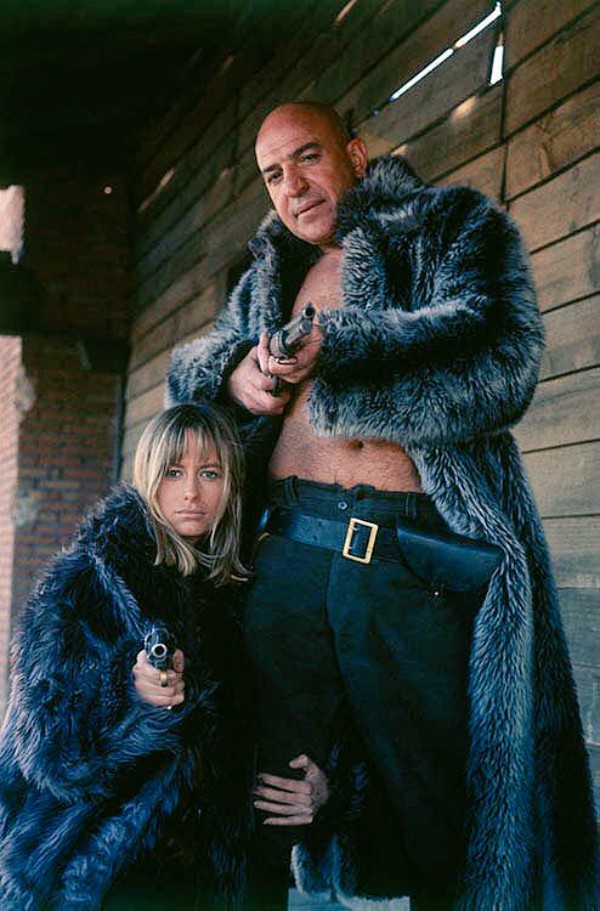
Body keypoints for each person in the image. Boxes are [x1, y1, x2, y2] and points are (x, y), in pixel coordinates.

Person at [166, 102, 598, 910]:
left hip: (408, 561)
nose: (292, 187)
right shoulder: (268, 277)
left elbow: (502, 358)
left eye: (307, 158)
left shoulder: (451, 226)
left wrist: (348, 347)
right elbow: (189, 372)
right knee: (258, 802)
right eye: (272, 175)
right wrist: (237, 373)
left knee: (445, 818)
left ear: (356, 155)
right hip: (286, 558)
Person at [0, 402, 325, 911]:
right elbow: (48, 755)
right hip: (100, 877)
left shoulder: (252, 595)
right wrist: (132, 698)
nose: (191, 492)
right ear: (149, 477)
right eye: (174, 472)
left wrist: (323, 788)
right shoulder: (85, 586)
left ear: (231, 486)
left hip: (223, 879)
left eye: (209, 473)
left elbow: (304, 714)